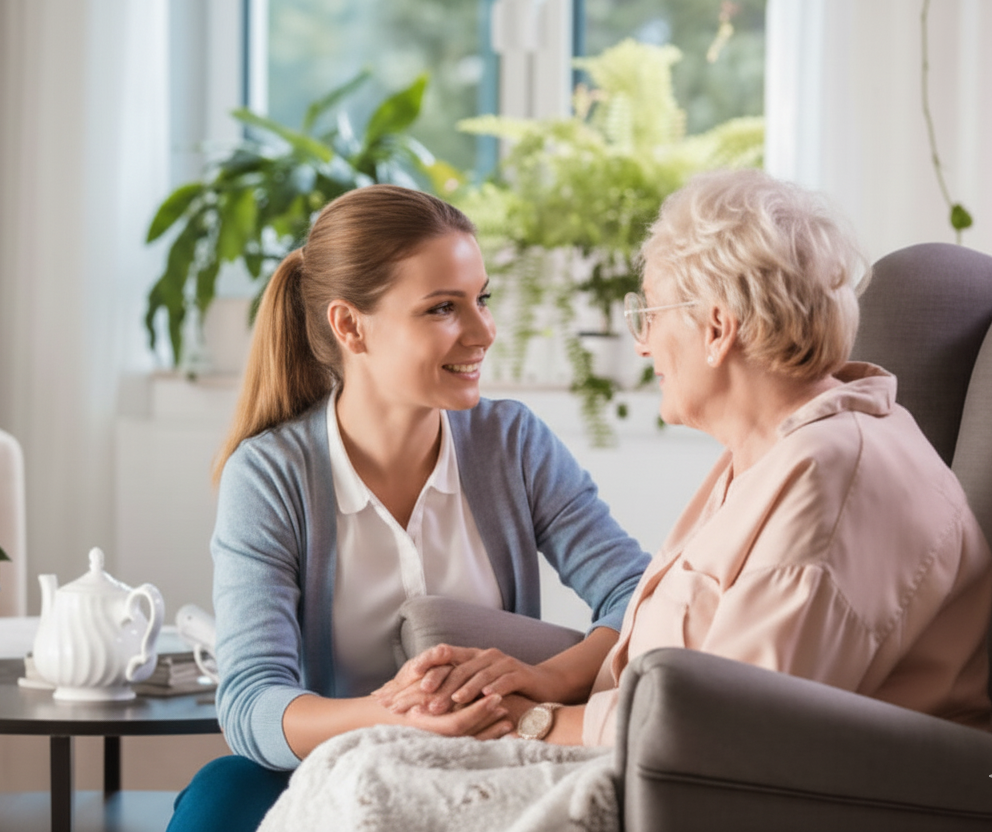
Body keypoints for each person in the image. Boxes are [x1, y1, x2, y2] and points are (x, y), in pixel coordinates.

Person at [379, 168, 992, 747]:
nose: (642, 345)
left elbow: (732, 728)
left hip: (817, 790)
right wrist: (550, 688)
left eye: (649, 313)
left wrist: (535, 722)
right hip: (657, 751)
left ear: (717, 329)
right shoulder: (772, 451)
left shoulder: (827, 480)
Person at [165, 184, 650, 831]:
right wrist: (397, 715)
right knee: (219, 798)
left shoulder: (511, 443)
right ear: (349, 326)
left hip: (493, 757)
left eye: (481, 300)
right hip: (332, 766)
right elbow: (253, 702)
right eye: (443, 308)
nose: (483, 332)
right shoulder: (270, 475)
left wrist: (548, 679)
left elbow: (640, 597)